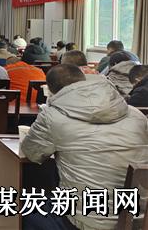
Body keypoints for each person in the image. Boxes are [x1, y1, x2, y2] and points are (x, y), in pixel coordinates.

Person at [22, 64, 148, 230]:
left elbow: (31, 153)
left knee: (29, 207)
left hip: (87, 220)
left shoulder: (52, 116)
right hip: (139, 219)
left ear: (51, 91)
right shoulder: (136, 115)